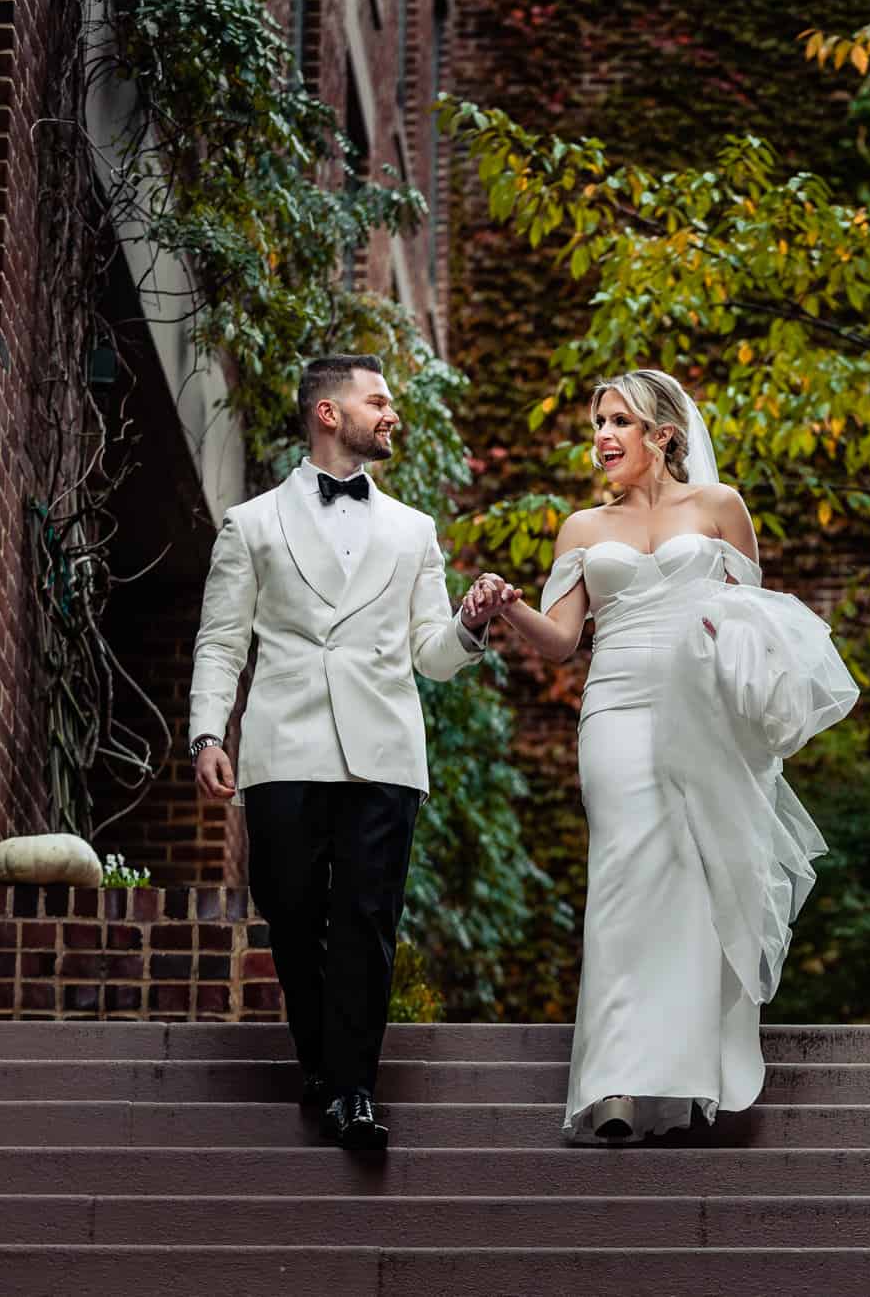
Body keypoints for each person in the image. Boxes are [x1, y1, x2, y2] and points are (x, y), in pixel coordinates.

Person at [466, 369, 855, 1143]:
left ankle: (683, 1075)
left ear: (663, 435)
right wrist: (508, 606)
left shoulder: (719, 510)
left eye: (617, 421)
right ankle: (611, 1084)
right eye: (597, 422)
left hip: (702, 710)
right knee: (620, 875)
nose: (601, 436)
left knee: (690, 877)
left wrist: (723, 636)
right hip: (615, 707)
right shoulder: (581, 527)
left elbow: (762, 622)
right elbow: (561, 642)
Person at [189, 353, 515, 1152]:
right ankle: (321, 1062)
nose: (391, 413)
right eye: (378, 400)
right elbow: (222, 638)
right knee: (291, 907)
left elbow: (430, 652)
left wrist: (470, 623)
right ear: (329, 413)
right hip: (284, 746)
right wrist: (207, 731)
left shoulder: (414, 531)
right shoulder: (252, 523)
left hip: (384, 753)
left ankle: (354, 1092)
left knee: (367, 919)